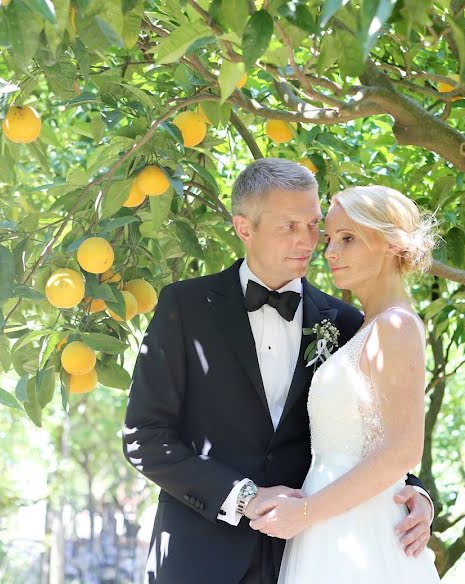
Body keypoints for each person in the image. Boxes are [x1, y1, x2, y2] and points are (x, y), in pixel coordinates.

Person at [122, 159, 434, 583]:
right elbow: (145, 437)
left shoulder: (345, 322)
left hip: (312, 551)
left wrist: (414, 492)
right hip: (200, 555)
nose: (309, 242)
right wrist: (243, 498)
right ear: (243, 228)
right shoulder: (185, 308)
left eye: (313, 225)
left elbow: (376, 428)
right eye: (289, 226)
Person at [248, 185, 442, 582]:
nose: (331, 252)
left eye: (348, 238)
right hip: (330, 523)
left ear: (389, 243)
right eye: (331, 239)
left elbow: (403, 449)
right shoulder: (361, 327)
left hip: (359, 527)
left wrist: (304, 514)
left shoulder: (397, 326)